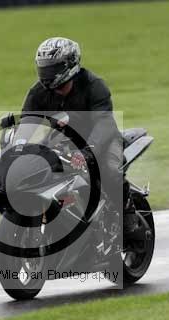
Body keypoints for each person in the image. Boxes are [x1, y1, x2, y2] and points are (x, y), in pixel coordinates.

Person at [21, 37, 125, 207]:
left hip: (102, 141)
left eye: (53, 68)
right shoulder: (37, 93)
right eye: (44, 68)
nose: (47, 74)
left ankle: (127, 214)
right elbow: (27, 122)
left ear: (70, 64)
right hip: (62, 142)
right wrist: (17, 147)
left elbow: (104, 123)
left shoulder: (93, 85)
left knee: (111, 172)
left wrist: (87, 152)